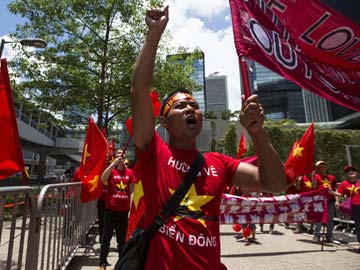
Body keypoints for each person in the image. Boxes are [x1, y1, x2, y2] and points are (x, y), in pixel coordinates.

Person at [129, 6, 286, 270]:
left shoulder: (220, 164)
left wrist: (258, 133)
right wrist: (154, 35)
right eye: (180, 106)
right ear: (164, 122)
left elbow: (275, 184)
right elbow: (139, 91)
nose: (190, 108)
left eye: (194, 104)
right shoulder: (153, 152)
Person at [98, 149, 135, 270]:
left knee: (121, 239)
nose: (121, 155)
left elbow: (132, 191)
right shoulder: (111, 171)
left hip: (123, 211)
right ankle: (102, 263)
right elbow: (103, 179)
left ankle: (121, 264)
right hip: (110, 209)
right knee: (106, 238)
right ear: (115, 157)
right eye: (119, 153)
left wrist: (130, 209)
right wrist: (112, 164)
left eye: (123, 154)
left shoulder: (130, 172)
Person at [335, 165, 360, 252]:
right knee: (358, 225)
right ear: (346, 174)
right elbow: (339, 194)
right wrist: (332, 194)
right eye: (348, 171)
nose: (351, 172)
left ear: (357, 172)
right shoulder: (344, 184)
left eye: (353, 170)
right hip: (355, 207)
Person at [312, 160, 337, 243]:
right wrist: (313, 177)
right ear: (317, 168)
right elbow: (314, 187)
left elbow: (335, 190)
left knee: (330, 219)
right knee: (318, 218)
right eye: (320, 166)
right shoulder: (316, 176)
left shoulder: (332, 178)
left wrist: (337, 201)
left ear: (326, 167)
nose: (322, 167)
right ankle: (316, 235)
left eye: (324, 165)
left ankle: (329, 236)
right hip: (320, 200)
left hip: (330, 200)